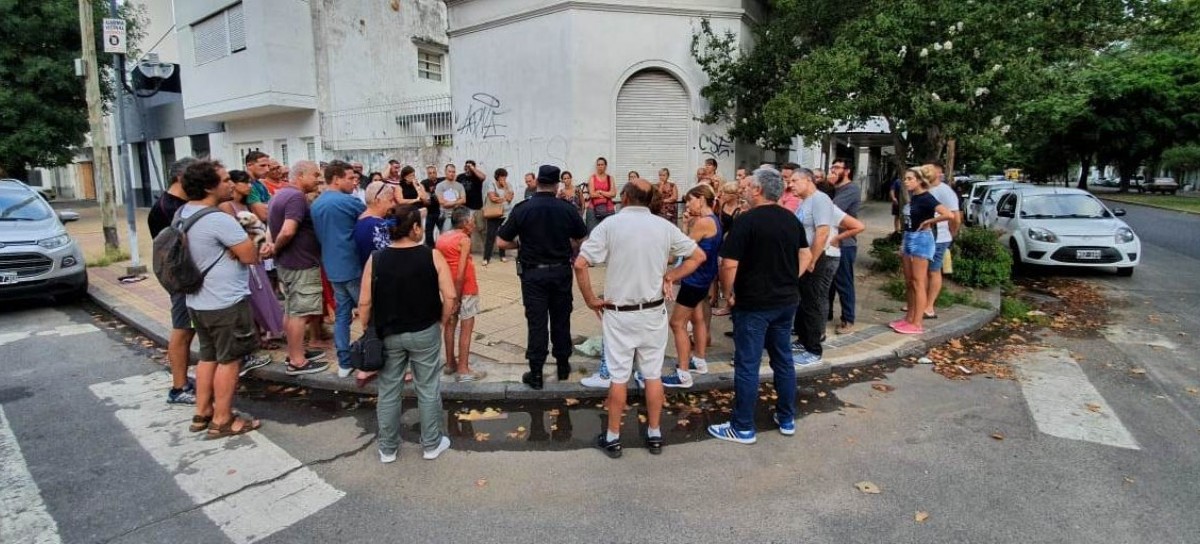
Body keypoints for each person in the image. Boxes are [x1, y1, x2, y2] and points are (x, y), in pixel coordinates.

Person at [575, 178, 704, 457]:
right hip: (652, 312)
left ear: (625, 197)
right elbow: (699, 256)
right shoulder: (664, 226)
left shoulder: (610, 224)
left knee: (619, 377)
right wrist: (671, 275)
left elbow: (580, 263)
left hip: (620, 314)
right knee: (653, 374)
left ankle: (613, 437)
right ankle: (655, 434)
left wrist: (590, 300)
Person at [708, 167, 811, 445]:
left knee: (748, 365)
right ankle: (786, 417)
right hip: (785, 301)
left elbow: (729, 264)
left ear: (758, 190)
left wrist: (729, 294)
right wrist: (792, 277)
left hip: (753, 304)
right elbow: (806, 253)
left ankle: (742, 427)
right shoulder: (791, 219)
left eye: (749, 185)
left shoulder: (747, 221)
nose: (744, 188)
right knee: (783, 360)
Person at [358, 205, 456, 462]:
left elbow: (365, 303)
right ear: (414, 228)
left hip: (388, 333)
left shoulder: (376, 258)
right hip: (425, 330)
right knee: (428, 387)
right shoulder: (432, 256)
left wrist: (366, 328)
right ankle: (431, 444)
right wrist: (442, 321)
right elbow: (450, 296)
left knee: (389, 389)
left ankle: (387, 448)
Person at [178, 160, 267, 438]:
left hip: (197, 300)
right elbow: (252, 256)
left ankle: (202, 411)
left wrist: (235, 247)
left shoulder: (184, 213)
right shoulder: (217, 219)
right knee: (230, 360)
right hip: (225, 301)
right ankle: (223, 419)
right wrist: (247, 241)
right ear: (208, 186)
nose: (231, 183)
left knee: (208, 356)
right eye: (225, 179)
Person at [497, 165, 589, 389]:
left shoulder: (523, 208)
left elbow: (501, 241)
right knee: (561, 317)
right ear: (557, 184)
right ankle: (563, 366)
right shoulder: (566, 209)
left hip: (533, 274)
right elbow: (582, 237)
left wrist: (521, 243)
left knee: (537, 322)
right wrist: (567, 244)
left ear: (537, 181)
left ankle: (536, 373)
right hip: (560, 271)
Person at [267, 161, 331, 375]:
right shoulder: (295, 197)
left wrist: (273, 247)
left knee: (292, 309)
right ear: (300, 175)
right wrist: (275, 247)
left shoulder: (280, 194)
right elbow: (287, 230)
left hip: (289, 263)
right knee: (301, 314)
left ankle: (296, 351)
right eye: (315, 175)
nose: (319, 179)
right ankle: (297, 361)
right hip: (300, 264)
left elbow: (272, 226)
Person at [148, 157, 199, 404]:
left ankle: (184, 382)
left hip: (187, 278)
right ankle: (179, 386)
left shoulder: (179, 204)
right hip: (182, 280)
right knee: (183, 330)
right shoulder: (168, 208)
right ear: (181, 178)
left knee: (188, 330)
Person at [219, 169, 285, 355]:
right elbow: (234, 235)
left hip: (257, 257)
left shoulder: (246, 206)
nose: (249, 186)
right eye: (245, 183)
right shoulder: (226, 207)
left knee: (264, 294)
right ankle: (257, 337)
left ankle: (265, 333)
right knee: (253, 298)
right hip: (245, 259)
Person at [312, 160, 368, 378]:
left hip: (332, 267)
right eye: (350, 178)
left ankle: (344, 362)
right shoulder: (348, 202)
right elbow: (370, 218)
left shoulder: (316, 204)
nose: (354, 183)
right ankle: (371, 359)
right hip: (353, 266)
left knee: (343, 316)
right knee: (369, 313)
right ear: (336, 179)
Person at [663, 185, 721, 388]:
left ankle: (683, 374)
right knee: (697, 319)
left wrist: (670, 274)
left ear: (701, 200)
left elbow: (684, 248)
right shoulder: (714, 220)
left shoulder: (704, 222)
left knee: (677, 324)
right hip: (704, 278)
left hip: (694, 279)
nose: (687, 204)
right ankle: (700, 361)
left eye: (690, 200)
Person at [893, 167, 953, 335]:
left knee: (919, 282)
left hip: (922, 240)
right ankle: (909, 318)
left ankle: (917, 323)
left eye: (910, 178)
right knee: (910, 281)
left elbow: (949, 214)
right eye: (905, 178)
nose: (906, 181)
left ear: (919, 180)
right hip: (909, 237)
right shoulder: (914, 197)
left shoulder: (927, 198)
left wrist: (930, 221)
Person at [791, 168, 840, 366]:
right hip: (807, 258)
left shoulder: (820, 200)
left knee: (814, 302)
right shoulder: (804, 202)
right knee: (804, 301)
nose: (791, 184)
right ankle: (803, 340)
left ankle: (813, 349)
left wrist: (811, 259)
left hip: (820, 259)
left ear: (808, 180)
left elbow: (822, 232)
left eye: (795, 181)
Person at [437, 208, 488, 382]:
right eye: (472, 220)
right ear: (465, 223)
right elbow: (460, 273)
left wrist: (451, 297)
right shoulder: (464, 239)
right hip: (465, 289)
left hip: (447, 289)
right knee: (466, 329)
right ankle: (463, 368)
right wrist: (457, 299)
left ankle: (450, 363)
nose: (474, 223)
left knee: (450, 325)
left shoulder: (442, 238)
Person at [827, 159, 862, 335]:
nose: (833, 171)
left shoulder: (851, 189)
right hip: (830, 241)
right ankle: (827, 313)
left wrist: (828, 185)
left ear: (847, 171)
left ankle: (848, 319)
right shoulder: (834, 189)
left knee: (843, 282)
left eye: (837, 168)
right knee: (829, 282)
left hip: (844, 243)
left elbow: (830, 209)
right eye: (832, 167)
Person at [922, 162, 961, 320]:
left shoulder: (946, 192)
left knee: (933, 270)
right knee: (922, 271)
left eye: (928, 171)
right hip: (924, 236)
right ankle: (920, 302)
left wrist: (951, 234)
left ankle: (929, 306)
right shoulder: (925, 188)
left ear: (938, 173)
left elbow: (955, 218)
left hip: (939, 237)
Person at [354, 181, 395, 266]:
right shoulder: (378, 226)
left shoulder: (360, 220)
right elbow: (390, 258)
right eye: (390, 200)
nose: (392, 205)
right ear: (378, 201)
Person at [482, 168, 514, 265]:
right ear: (497, 177)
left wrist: (505, 188)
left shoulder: (508, 185)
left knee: (503, 235)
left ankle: (502, 255)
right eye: (501, 177)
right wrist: (504, 198)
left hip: (505, 214)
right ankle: (486, 258)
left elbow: (509, 198)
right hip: (494, 214)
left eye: (504, 177)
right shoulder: (492, 185)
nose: (503, 179)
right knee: (490, 236)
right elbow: (492, 198)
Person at [458, 159, 488, 236]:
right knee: (465, 227)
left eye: (470, 166)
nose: (468, 168)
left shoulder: (477, 177)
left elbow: (483, 177)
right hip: (464, 207)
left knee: (478, 227)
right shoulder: (460, 177)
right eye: (466, 166)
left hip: (476, 207)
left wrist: (473, 168)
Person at [242, 151, 273, 221]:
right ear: (249, 165)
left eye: (268, 166)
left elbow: (273, 203)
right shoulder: (247, 185)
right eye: (262, 165)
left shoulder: (259, 184)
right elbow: (263, 215)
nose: (267, 170)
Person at [435, 164, 465, 231]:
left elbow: (463, 200)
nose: (452, 174)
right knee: (446, 236)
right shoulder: (440, 185)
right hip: (446, 216)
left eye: (453, 172)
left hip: (458, 216)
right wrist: (457, 201)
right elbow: (443, 203)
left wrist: (449, 203)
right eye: (450, 171)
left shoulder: (460, 186)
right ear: (445, 172)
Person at [589, 157, 616, 223]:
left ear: (605, 166)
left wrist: (600, 192)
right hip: (594, 208)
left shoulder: (610, 178)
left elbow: (613, 194)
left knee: (609, 231)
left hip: (609, 208)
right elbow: (592, 194)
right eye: (598, 165)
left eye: (602, 164)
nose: (600, 166)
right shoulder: (592, 178)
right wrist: (607, 194)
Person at [421, 165, 442, 246]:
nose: (432, 174)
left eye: (434, 172)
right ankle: (430, 249)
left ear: (436, 173)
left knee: (443, 231)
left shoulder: (442, 180)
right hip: (430, 211)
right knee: (428, 232)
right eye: (430, 173)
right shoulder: (424, 183)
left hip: (441, 211)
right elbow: (425, 197)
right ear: (427, 174)